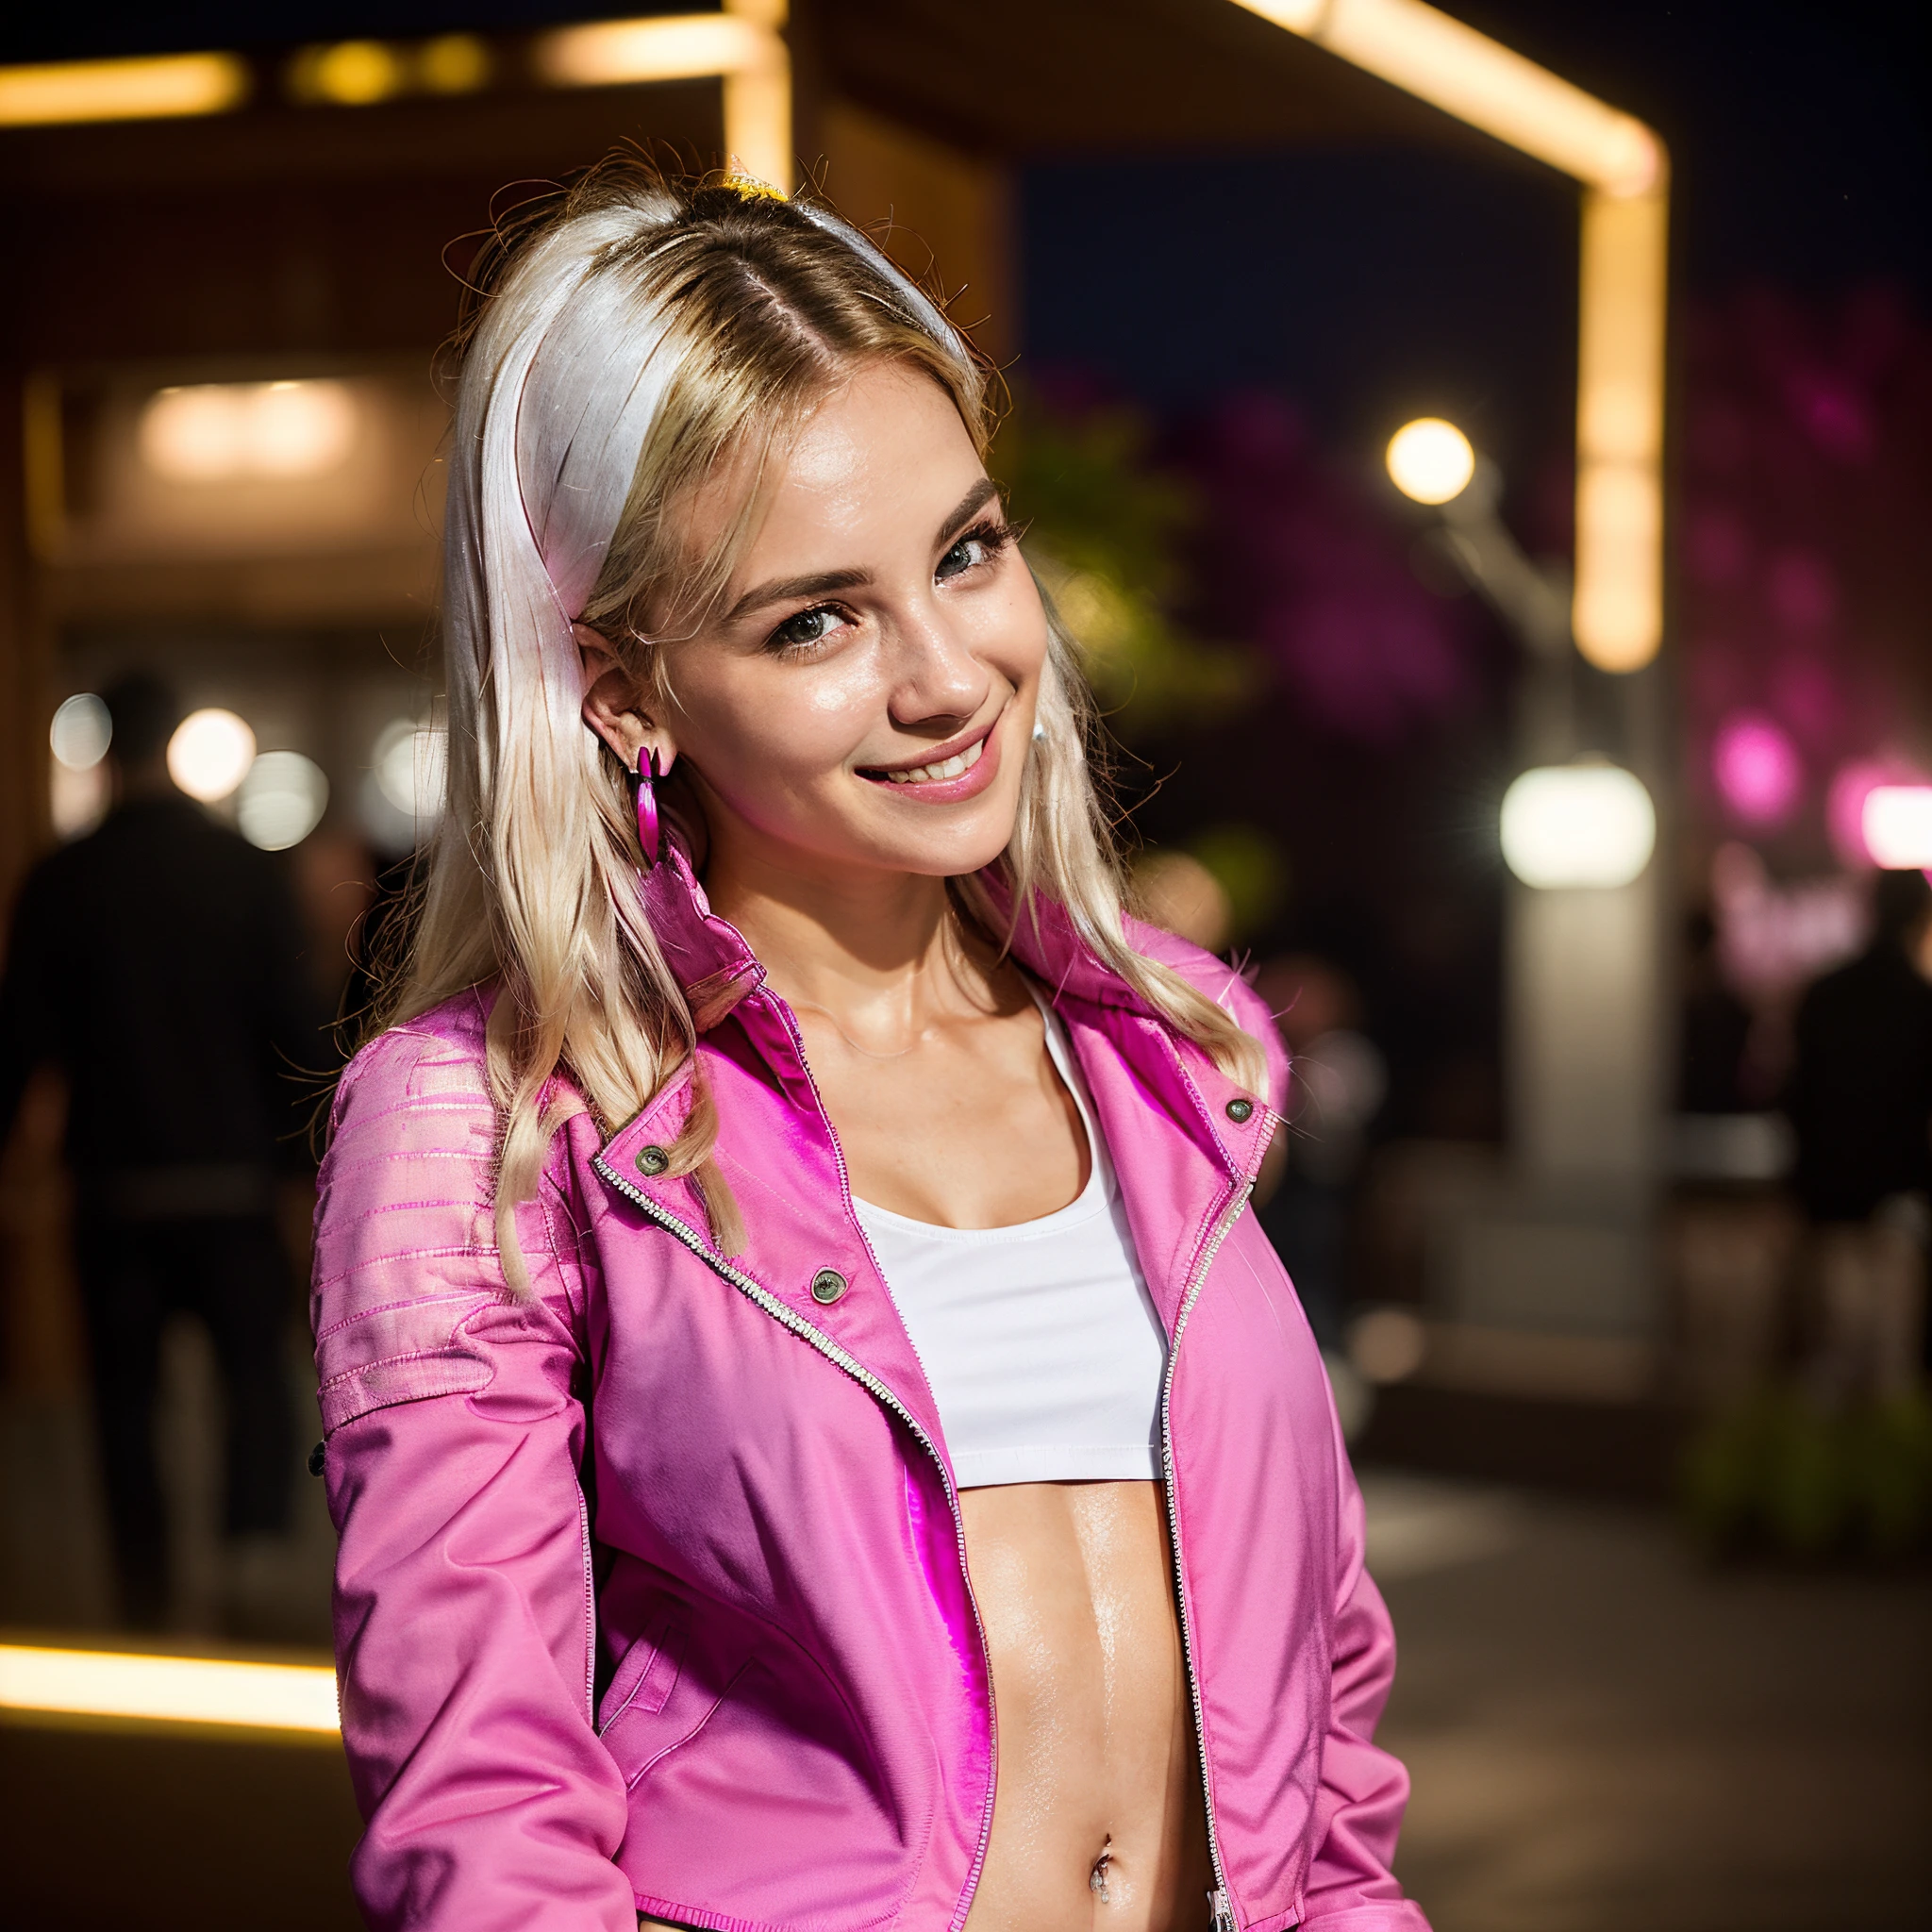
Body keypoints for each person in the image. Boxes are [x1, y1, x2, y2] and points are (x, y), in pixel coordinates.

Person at [315, 160, 1426, 1932]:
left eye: (966, 552)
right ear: (621, 687)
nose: (948, 672)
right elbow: (480, 1800)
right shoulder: (494, 1119)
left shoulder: (1169, 1056)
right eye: (813, 618)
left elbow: (1327, 1714)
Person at [0, 671, 325, 1627]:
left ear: (106, 752)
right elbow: (294, 1033)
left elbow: (19, 1041)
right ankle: (252, 1567)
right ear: (178, 744)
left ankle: (141, 1595)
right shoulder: (240, 870)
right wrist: (310, 1170)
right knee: (253, 1379)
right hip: (231, 1183)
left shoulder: (63, 880)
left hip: (117, 1185)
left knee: (124, 1400)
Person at [1785, 866, 1932, 1397]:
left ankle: (1826, 1475)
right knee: (1888, 1365)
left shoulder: (1825, 995)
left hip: (1831, 1203)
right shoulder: (1920, 1002)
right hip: (1897, 1206)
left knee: (1833, 1363)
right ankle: (1884, 1476)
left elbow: (1795, 1098)